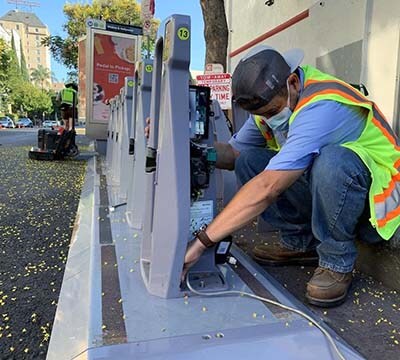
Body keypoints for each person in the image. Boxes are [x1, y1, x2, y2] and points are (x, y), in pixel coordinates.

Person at [182, 45, 400, 307]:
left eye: (272, 113)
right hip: (336, 197)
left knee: (331, 161)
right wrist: (185, 148)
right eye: (261, 115)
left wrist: (203, 241)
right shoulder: (272, 103)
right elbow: (232, 155)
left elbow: (269, 187)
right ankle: (301, 244)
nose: (268, 120)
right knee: (251, 160)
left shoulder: (323, 105)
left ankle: (336, 261)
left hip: (377, 210)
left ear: (293, 82)